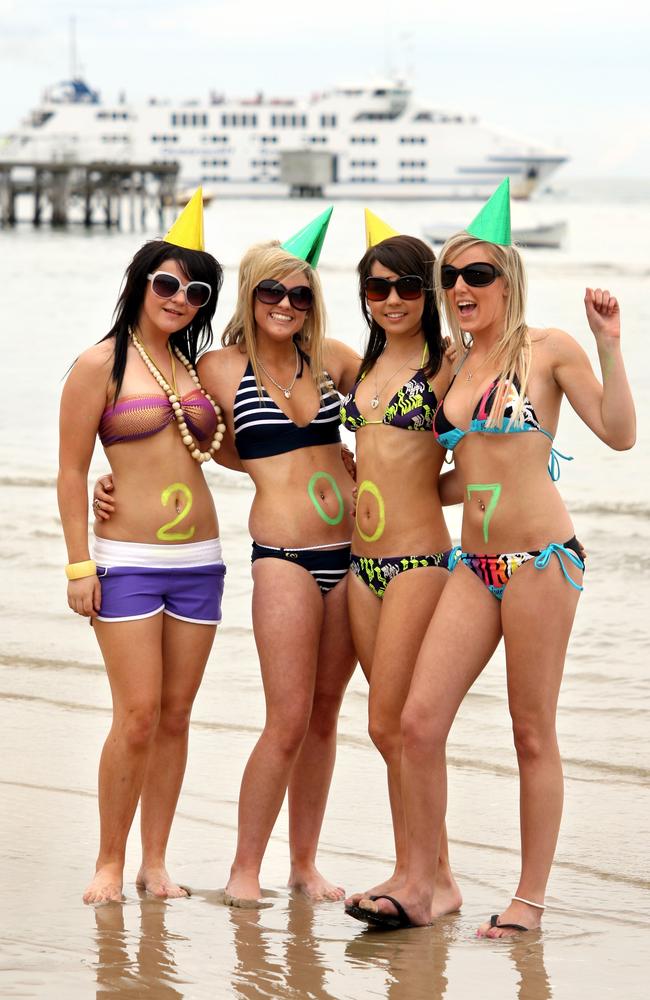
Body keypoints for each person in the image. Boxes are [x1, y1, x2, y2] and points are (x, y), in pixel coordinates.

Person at [348, 179, 635, 933]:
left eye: (478, 275)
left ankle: (529, 901)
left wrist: (610, 344)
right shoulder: (452, 364)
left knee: (530, 730)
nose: (461, 288)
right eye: (451, 277)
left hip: (540, 561)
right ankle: (423, 884)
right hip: (471, 568)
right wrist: (367, 482)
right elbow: (448, 472)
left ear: (509, 280)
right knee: (416, 723)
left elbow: (619, 432)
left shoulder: (547, 351)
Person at [58, 190, 226, 904]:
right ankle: (108, 861)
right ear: (139, 284)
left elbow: (242, 442)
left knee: (177, 715)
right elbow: (69, 469)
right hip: (126, 561)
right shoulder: (98, 365)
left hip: (202, 561)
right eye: (166, 283)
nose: (179, 298)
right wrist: (78, 563)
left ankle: (156, 863)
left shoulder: (202, 369)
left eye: (195, 290)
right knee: (135, 716)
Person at [197, 209, 361, 904]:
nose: (286, 305)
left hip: (354, 553)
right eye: (272, 293)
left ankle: (304, 865)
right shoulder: (217, 367)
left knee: (326, 715)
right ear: (249, 294)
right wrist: (111, 489)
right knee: (286, 716)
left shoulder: (336, 359)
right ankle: (244, 871)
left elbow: (414, 405)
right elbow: (181, 435)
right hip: (284, 554)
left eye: (299, 295)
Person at [342, 213, 462, 925]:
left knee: (398, 723)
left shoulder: (447, 364)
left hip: (419, 559)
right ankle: (428, 873)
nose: (391, 299)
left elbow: (484, 454)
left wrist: (420, 486)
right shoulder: (358, 365)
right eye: (377, 287)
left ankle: (422, 878)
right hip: (362, 566)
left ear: (428, 292)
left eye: (407, 285)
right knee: (386, 730)